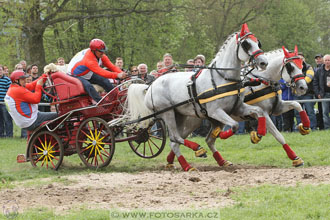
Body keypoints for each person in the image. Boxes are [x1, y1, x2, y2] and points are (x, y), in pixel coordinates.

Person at [67, 38, 127, 103]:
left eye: (103, 51)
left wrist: (121, 73)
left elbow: (111, 66)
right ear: (94, 51)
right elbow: (102, 72)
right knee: (88, 86)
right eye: (101, 51)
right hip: (74, 75)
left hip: (86, 72)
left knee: (105, 81)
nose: (103, 53)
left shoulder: (101, 55)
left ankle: (116, 99)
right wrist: (117, 75)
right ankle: (102, 103)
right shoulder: (89, 60)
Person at [293, 52, 317, 130]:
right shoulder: (294, 67)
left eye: (301, 58)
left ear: (304, 59)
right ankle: (299, 128)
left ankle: (312, 128)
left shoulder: (309, 67)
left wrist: (300, 84)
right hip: (297, 94)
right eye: (298, 58)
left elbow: (309, 78)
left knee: (310, 112)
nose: (300, 60)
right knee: (297, 113)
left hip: (307, 93)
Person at [313, 54, 330, 130]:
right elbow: (315, 83)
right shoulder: (319, 70)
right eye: (326, 60)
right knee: (325, 113)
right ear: (323, 61)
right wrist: (318, 93)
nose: (327, 62)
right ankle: (327, 128)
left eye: (329, 60)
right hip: (324, 94)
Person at [0, 65, 13, 137]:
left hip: (4, 103)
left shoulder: (7, 80)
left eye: (0, 70)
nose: (0, 71)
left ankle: (9, 135)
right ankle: (1, 134)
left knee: (7, 119)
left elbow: (10, 91)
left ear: (3, 71)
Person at [313, 54, 324, 130]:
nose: (318, 60)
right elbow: (315, 83)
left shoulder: (325, 68)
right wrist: (317, 93)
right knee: (320, 110)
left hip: (325, 92)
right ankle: (321, 126)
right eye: (317, 59)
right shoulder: (314, 69)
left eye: (320, 58)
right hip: (318, 94)